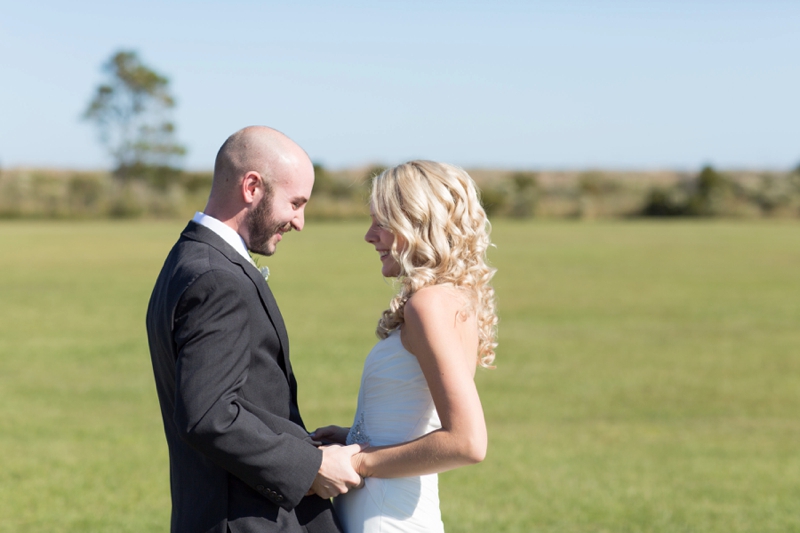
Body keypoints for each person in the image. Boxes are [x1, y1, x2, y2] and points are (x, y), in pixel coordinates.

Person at [146, 126, 363, 533]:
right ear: (252, 187)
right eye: (295, 203)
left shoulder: (187, 258)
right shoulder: (216, 277)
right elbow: (208, 415)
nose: (299, 222)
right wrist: (310, 466)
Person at [311, 160, 498, 532]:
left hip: (383, 514)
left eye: (381, 222)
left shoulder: (427, 305)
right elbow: (417, 415)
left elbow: (467, 441)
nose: (369, 235)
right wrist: (353, 436)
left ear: (418, 223)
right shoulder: (454, 299)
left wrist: (359, 461)